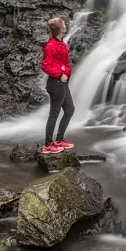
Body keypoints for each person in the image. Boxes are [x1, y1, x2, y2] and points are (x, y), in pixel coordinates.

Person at [41, 17, 75, 155]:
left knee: (70, 110)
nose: (66, 25)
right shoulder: (51, 46)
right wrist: (60, 74)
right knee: (54, 114)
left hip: (63, 83)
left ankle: (59, 140)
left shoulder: (60, 43)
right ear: (61, 29)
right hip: (56, 83)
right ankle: (48, 145)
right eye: (64, 24)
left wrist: (65, 75)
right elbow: (45, 66)